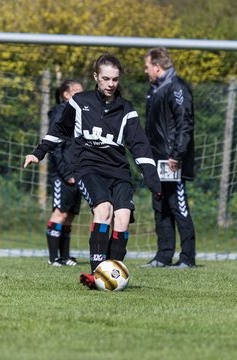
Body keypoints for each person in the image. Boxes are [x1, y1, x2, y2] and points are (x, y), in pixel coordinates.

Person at [23, 53, 162, 288]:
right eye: (106, 78)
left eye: (115, 79)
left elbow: (140, 147)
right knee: (104, 210)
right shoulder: (79, 102)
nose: (110, 84)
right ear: (96, 77)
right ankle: (97, 274)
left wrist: (153, 180)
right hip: (88, 169)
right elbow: (60, 130)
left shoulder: (126, 110)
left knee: (123, 218)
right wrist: (39, 152)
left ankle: (113, 273)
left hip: (118, 171)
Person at [142, 47, 196, 268]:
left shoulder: (176, 87)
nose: (145, 71)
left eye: (147, 67)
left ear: (157, 66)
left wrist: (176, 155)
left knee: (178, 205)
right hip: (156, 158)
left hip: (171, 159)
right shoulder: (155, 89)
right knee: (160, 205)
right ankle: (163, 256)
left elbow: (185, 123)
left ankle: (187, 258)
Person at [46, 79, 83, 266]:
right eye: (77, 91)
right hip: (63, 175)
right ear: (66, 95)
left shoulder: (79, 114)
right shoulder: (60, 113)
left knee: (69, 216)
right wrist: (66, 173)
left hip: (77, 173)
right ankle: (53, 259)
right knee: (59, 214)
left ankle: (65, 256)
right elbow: (55, 146)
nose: (81, 95)